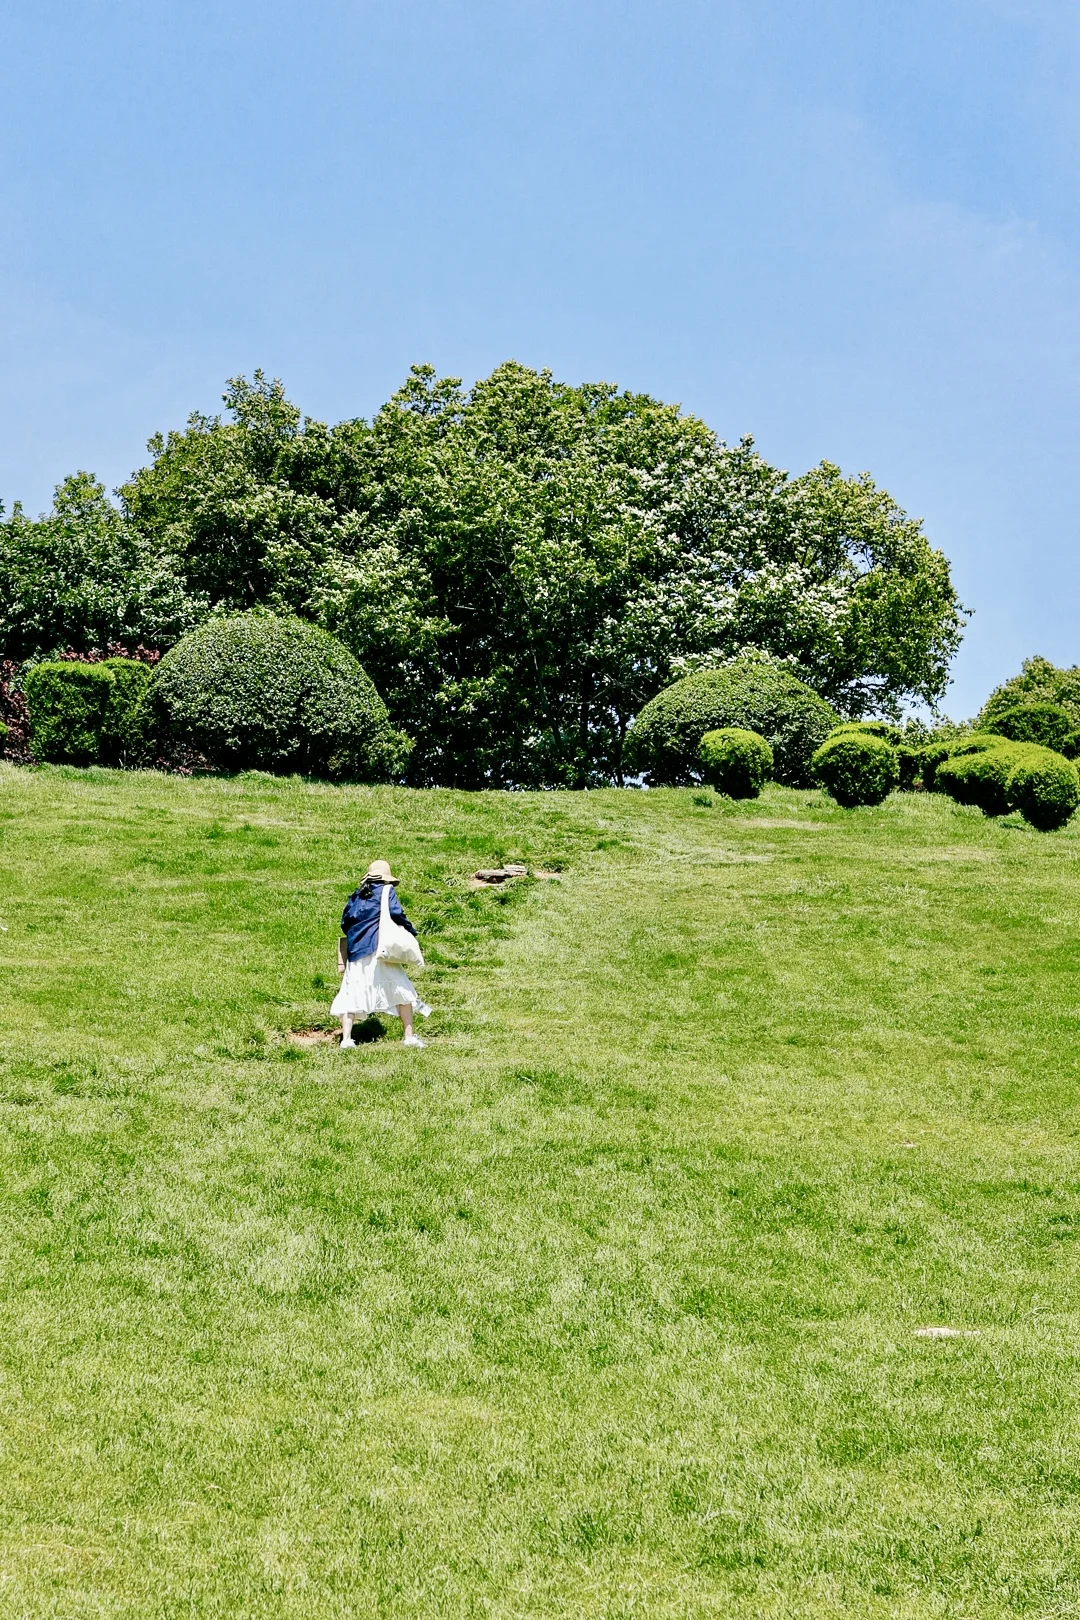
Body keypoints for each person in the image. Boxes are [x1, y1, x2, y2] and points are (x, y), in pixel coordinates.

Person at [331, 859, 431, 1049]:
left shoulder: (356, 896)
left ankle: (346, 1040)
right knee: (403, 991)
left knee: (351, 992)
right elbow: (397, 913)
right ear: (386, 878)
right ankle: (409, 1037)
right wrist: (410, 930)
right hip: (381, 950)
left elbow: (345, 923)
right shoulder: (387, 891)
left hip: (357, 951)